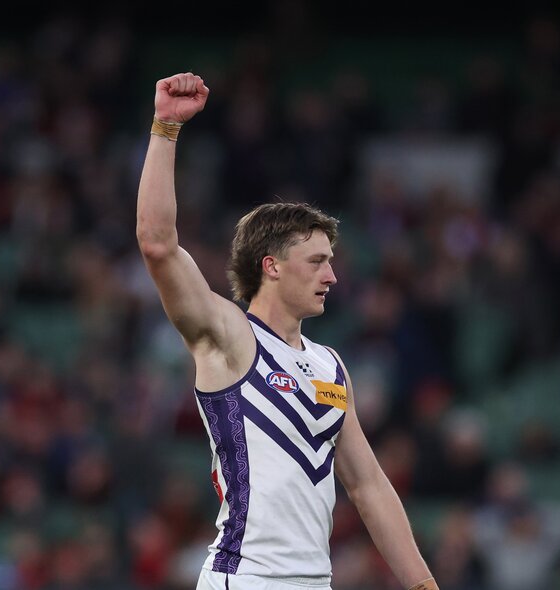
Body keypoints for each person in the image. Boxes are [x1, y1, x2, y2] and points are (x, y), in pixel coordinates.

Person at [136, 72, 438, 590]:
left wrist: (423, 585)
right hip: (247, 578)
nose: (332, 275)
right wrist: (165, 128)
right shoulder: (230, 337)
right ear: (272, 265)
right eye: (317, 261)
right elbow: (158, 244)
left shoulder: (329, 365)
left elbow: (367, 485)